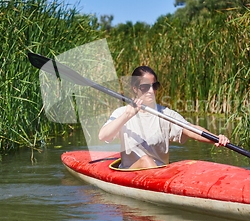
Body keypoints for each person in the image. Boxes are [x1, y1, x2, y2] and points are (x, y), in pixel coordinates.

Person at [98, 65, 229, 169]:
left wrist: (216, 139)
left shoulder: (166, 114)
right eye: (145, 87)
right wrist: (127, 115)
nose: (150, 91)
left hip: (161, 174)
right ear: (135, 88)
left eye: (154, 86)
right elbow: (103, 136)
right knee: (146, 161)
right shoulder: (122, 112)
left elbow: (191, 129)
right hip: (131, 173)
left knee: (150, 162)